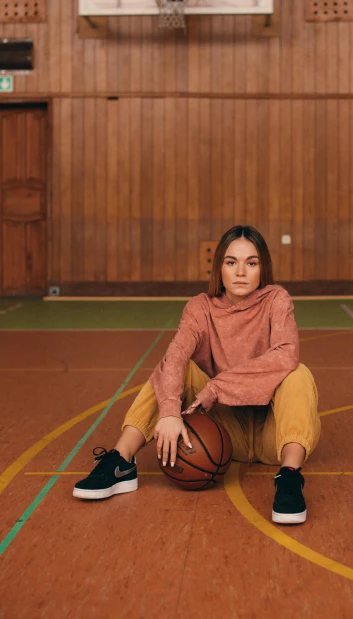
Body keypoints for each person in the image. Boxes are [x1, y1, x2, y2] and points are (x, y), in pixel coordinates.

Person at [73, 225, 321, 524]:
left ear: (262, 268)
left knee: (298, 373)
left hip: (275, 433)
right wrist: (168, 412)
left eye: (251, 263)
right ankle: (121, 461)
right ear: (219, 267)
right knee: (174, 366)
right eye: (231, 262)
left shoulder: (275, 300)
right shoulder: (200, 308)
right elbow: (176, 357)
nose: (241, 271)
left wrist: (216, 388)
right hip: (226, 433)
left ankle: (290, 478)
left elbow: (286, 354)